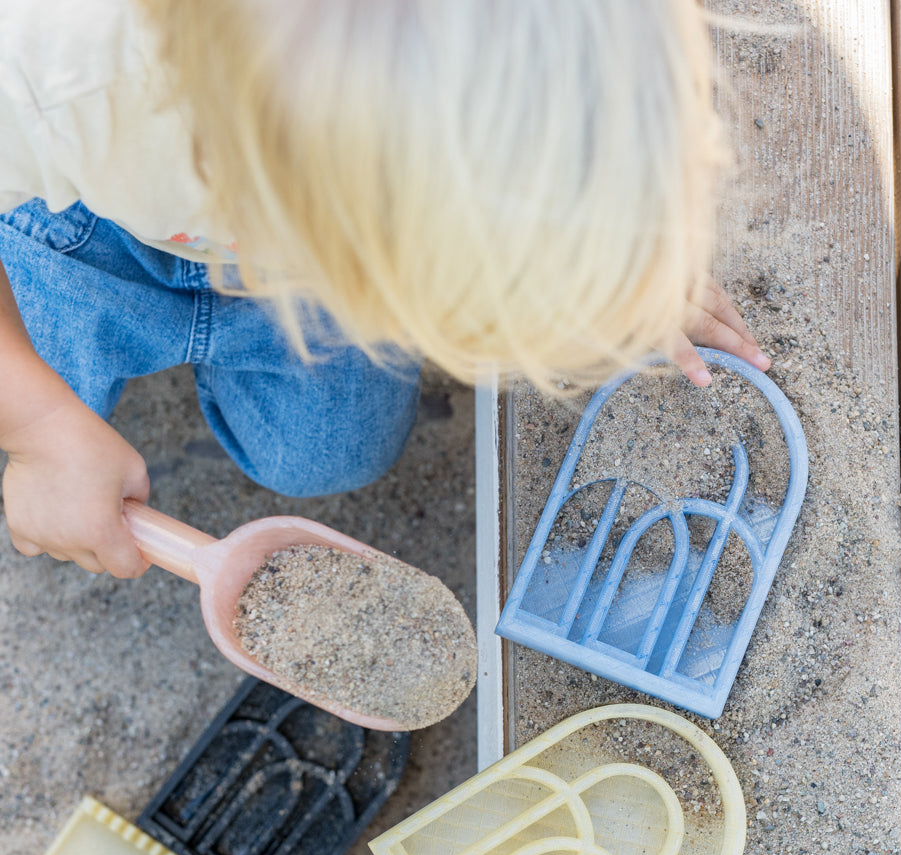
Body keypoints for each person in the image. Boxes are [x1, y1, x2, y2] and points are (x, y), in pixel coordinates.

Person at [0, 0, 769, 580]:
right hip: (73, 240)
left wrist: (605, 254)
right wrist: (40, 427)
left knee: (326, 453)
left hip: (261, 258)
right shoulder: (62, 64)